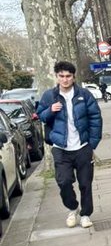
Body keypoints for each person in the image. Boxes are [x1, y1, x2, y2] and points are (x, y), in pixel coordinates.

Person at [37, 60, 103, 229]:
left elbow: (95, 118)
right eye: (61, 76)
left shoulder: (84, 95)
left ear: (73, 77)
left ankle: (86, 214)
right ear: (57, 77)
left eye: (68, 76)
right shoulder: (49, 96)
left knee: (85, 183)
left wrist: (92, 143)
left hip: (82, 146)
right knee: (64, 181)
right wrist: (51, 110)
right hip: (60, 147)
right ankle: (73, 208)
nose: (65, 79)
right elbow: (41, 117)